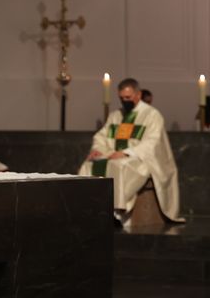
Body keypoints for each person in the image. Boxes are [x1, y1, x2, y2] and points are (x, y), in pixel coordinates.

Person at [79, 78, 184, 224]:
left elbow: (152, 142)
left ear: (138, 95)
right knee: (88, 165)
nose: (124, 101)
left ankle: (116, 212)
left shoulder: (152, 115)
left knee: (119, 166)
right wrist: (97, 149)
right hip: (115, 155)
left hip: (142, 159)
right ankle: (87, 209)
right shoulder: (116, 115)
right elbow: (102, 136)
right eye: (121, 98)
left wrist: (126, 153)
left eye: (128, 97)